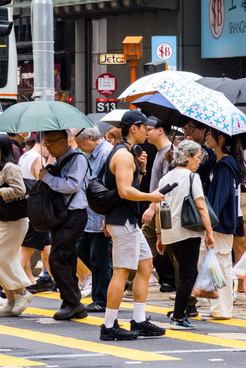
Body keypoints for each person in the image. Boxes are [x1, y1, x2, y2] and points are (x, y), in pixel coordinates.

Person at [99, 111, 167, 340]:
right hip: (123, 221)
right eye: (145, 127)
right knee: (121, 271)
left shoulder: (128, 153)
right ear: (134, 128)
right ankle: (109, 325)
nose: (148, 131)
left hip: (127, 220)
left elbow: (129, 186)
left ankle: (138, 320)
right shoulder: (123, 155)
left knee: (146, 265)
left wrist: (143, 170)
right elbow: (124, 191)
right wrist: (151, 197)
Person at [157, 141, 214, 330]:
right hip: (187, 231)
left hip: (169, 232)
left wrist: (159, 235)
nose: (199, 161)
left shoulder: (165, 178)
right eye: (197, 157)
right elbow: (201, 206)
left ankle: (179, 314)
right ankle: (179, 317)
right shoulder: (192, 177)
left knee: (183, 275)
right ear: (188, 157)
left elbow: (158, 209)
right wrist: (209, 232)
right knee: (187, 276)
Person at [39, 129, 89, 320]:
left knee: (56, 259)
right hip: (61, 216)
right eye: (45, 144)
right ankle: (73, 302)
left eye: (50, 143)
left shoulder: (78, 159)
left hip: (74, 215)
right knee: (67, 259)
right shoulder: (58, 161)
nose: (47, 147)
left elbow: (71, 186)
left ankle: (72, 302)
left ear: (62, 141)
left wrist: (46, 177)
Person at [0, 133, 31, 317]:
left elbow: (20, 189)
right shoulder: (0, 168)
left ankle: (22, 292)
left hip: (14, 221)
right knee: (6, 260)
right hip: (1, 219)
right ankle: (10, 301)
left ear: (3, 149)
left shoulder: (11, 167)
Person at [203, 129, 244, 320]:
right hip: (220, 222)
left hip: (220, 222)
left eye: (209, 134)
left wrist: (209, 224)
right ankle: (218, 307)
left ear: (220, 138)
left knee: (222, 265)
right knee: (218, 264)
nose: (206, 138)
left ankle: (223, 308)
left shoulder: (225, 165)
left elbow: (220, 198)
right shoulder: (218, 161)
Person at [76, 127, 113, 313]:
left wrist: (108, 215)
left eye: (80, 143)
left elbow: (110, 186)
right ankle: (113, 279)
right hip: (89, 213)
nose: (78, 147)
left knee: (99, 259)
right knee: (80, 249)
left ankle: (101, 299)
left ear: (90, 137)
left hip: (101, 214)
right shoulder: (91, 155)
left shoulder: (106, 153)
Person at [143, 121, 178, 294]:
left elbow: (166, 186)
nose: (146, 133)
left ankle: (184, 289)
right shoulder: (160, 152)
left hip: (163, 210)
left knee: (171, 252)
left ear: (160, 130)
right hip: (158, 209)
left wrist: (152, 206)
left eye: (149, 129)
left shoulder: (170, 153)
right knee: (146, 247)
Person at [17, 135, 53, 293]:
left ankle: (33, 279)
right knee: (25, 252)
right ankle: (8, 289)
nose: (50, 150)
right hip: (38, 212)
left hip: (26, 209)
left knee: (47, 248)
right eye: (49, 146)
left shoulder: (24, 156)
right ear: (44, 142)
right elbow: (44, 183)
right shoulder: (39, 159)